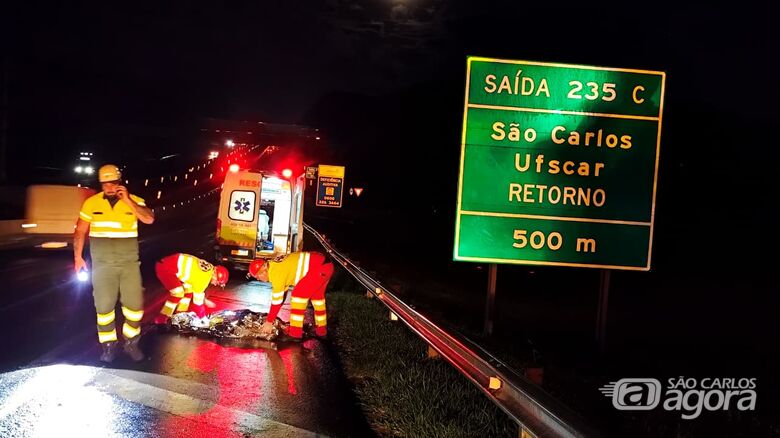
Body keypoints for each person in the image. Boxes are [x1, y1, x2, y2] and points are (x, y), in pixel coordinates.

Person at [74, 164, 155, 362]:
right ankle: (108, 346)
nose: (109, 186)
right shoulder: (91, 203)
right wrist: (77, 257)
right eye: (105, 183)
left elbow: (149, 219)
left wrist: (127, 200)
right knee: (103, 308)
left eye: (113, 182)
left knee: (135, 307)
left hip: (129, 264)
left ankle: (131, 343)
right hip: (102, 265)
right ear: (101, 183)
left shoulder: (134, 201)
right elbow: (80, 231)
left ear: (120, 182)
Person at [247, 251, 333, 339]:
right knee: (317, 299)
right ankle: (321, 331)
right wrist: (271, 318)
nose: (259, 279)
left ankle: (295, 333)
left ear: (263, 272)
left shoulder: (275, 272)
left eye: (258, 277)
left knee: (298, 296)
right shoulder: (274, 265)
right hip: (326, 265)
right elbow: (282, 297)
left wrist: (269, 322)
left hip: (318, 268)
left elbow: (277, 301)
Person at [153, 253, 229, 324]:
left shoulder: (209, 270)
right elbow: (197, 305)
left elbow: (197, 290)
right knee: (178, 293)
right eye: (218, 283)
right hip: (165, 269)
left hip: (168, 264)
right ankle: (162, 319)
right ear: (215, 276)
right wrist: (203, 318)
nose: (216, 284)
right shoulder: (203, 279)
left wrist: (205, 301)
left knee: (189, 291)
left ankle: (180, 314)